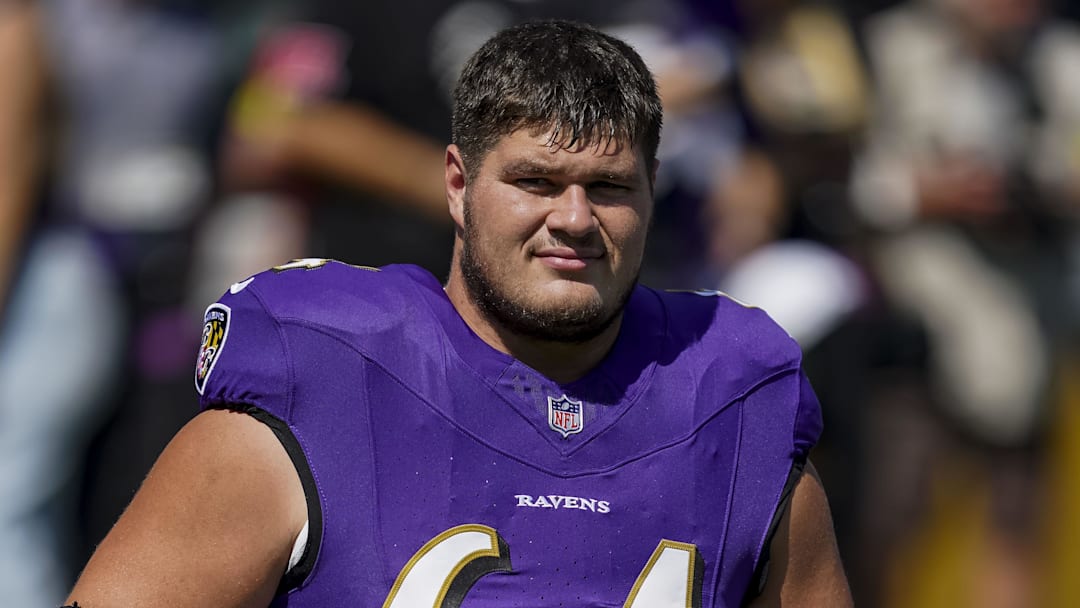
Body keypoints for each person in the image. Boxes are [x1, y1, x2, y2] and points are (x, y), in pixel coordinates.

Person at [64, 19, 851, 607]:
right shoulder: (316, 383)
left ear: (651, 191)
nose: (576, 218)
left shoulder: (737, 403)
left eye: (610, 187)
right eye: (536, 182)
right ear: (457, 183)